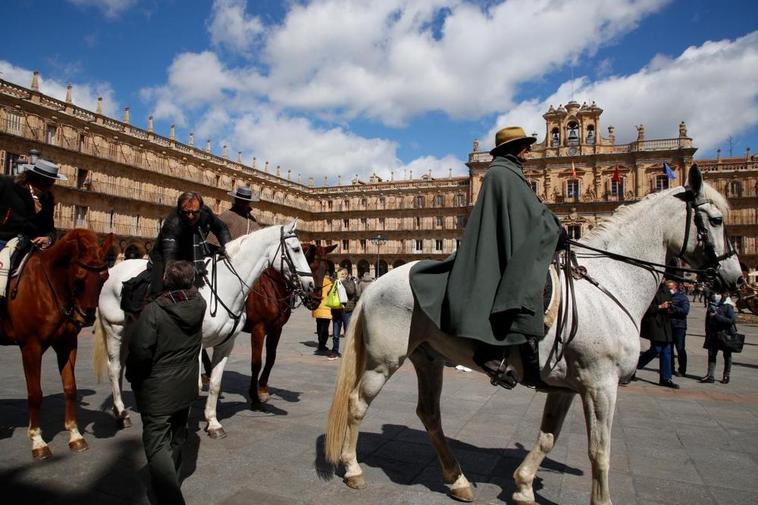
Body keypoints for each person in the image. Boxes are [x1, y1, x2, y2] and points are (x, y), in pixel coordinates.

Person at [410, 126, 565, 389]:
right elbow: (531, 215)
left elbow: (528, 211)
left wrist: (548, 222)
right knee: (522, 285)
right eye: (525, 145)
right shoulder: (501, 174)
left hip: (510, 241)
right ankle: (493, 352)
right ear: (515, 148)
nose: (529, 150)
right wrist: (554, 228)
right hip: (498, 247)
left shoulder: (510, 172)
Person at [125, 261, 206, 505]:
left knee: (157, 443)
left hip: (158, 389)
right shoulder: (199, 304)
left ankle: (171, 497)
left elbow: (140, 350)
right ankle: (169, 481)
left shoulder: (154, 311)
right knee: (178, 438)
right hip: (186, 386)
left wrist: (133, 378)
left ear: (167, 281)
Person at [149, 192, 231, 296]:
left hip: (195, 246)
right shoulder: (172, 222)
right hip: (165, 254)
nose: (190, 216)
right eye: (186, 212)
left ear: (200, 209)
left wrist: (228, 248)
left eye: (195, 213)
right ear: (179, 211)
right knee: (157, 290)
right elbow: (170, 254)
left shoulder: (206, 213)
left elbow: (221, 229)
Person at [0, 158, 65, 254]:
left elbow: (50, 229)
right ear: (33, 177)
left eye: (51, 182)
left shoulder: (48, 199)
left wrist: (48, 239)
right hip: (3, 241)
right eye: (45, 181)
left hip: (30, 247)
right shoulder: (8, 184)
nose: (48, 186)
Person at [637, 282, 679, 389]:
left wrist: (671, 308)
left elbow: (672, 306)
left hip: (666, 325)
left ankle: (666, 378)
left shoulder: (666, 292)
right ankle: (635, 366)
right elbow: (645, 308)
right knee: (656, 349)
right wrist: (660, 307)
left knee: (667, 351)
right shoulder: (651, 290)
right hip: (655, 324)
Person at [701, 292, 736, 384]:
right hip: (713, 334)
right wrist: (707, 331)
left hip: (725, 334)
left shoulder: (728, 306)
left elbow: (731, 321)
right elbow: (707, 321)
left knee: (727, 355)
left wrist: (716, 316)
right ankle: (710, 375)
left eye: (718, 294)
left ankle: (726, 375)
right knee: (712, 354)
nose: (715, 296)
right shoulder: (712, 306)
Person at [328, 268, 358, 360]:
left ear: (347, 274)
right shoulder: (336, 283)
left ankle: (349, 352)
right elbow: (330, 294)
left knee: (348, 333)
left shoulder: (350, 282)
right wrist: (335, 285)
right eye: (340, 274)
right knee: (336, 334)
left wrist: (343, 282)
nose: (342, 276)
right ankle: (335, 351)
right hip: (336, 310)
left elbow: (351, 291)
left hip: (347, 311)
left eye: (343, 274)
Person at [667, 280, 690, 377]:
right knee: (669, 349)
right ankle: (670, 368)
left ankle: (682, 370)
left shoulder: (682, 297)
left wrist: (673, 307)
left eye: (670, 288)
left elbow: (685, 311)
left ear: (675, 287)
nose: (668, 290)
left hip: (679, 326)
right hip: (668, 326)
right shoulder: (667, 296)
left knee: (680, 349)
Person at [311, 273, 333, 356]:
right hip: (326, 309)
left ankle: (320, 342)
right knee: (325, 328)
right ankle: (322, 345)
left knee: (319, 326)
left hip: (317, 308)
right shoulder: (330, 284)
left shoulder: (316, 284)